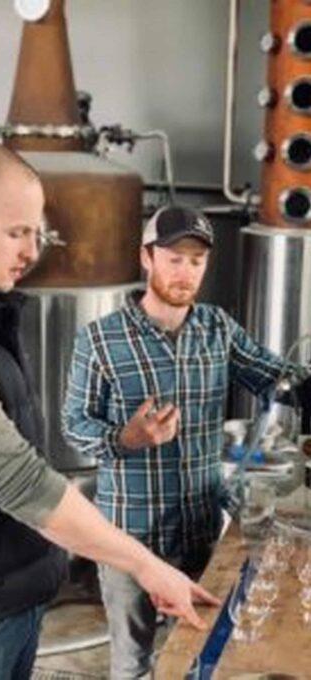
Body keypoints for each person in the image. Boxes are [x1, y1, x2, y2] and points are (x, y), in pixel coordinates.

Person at [0, 143, 218, 680]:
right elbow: (24, 483)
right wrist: (146, 565)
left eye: (38, 233)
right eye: (18, 232)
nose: (33, 250)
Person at [62, 203, 311, 679]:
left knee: (199, 656)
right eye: (174, 258)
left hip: (198, 532)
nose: (185, 271)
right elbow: (73, 426)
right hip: (128, 539)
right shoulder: (100, 340)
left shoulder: (217, 329)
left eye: (196, 261)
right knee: (133, 663)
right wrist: (126, 437)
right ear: (146, 258)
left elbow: (277, 376)